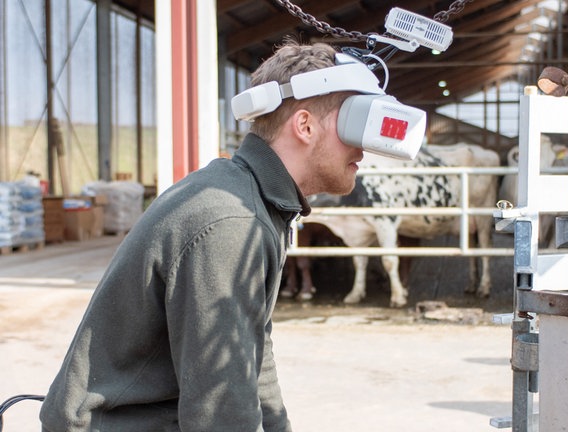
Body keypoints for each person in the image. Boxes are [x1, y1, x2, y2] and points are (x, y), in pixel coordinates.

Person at [39, 40, 372, 431]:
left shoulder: (252, 198)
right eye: (352, 124)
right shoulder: (231, 220)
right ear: (305, 126)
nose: (362, 149)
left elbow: (253, 356)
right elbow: (219, 414)